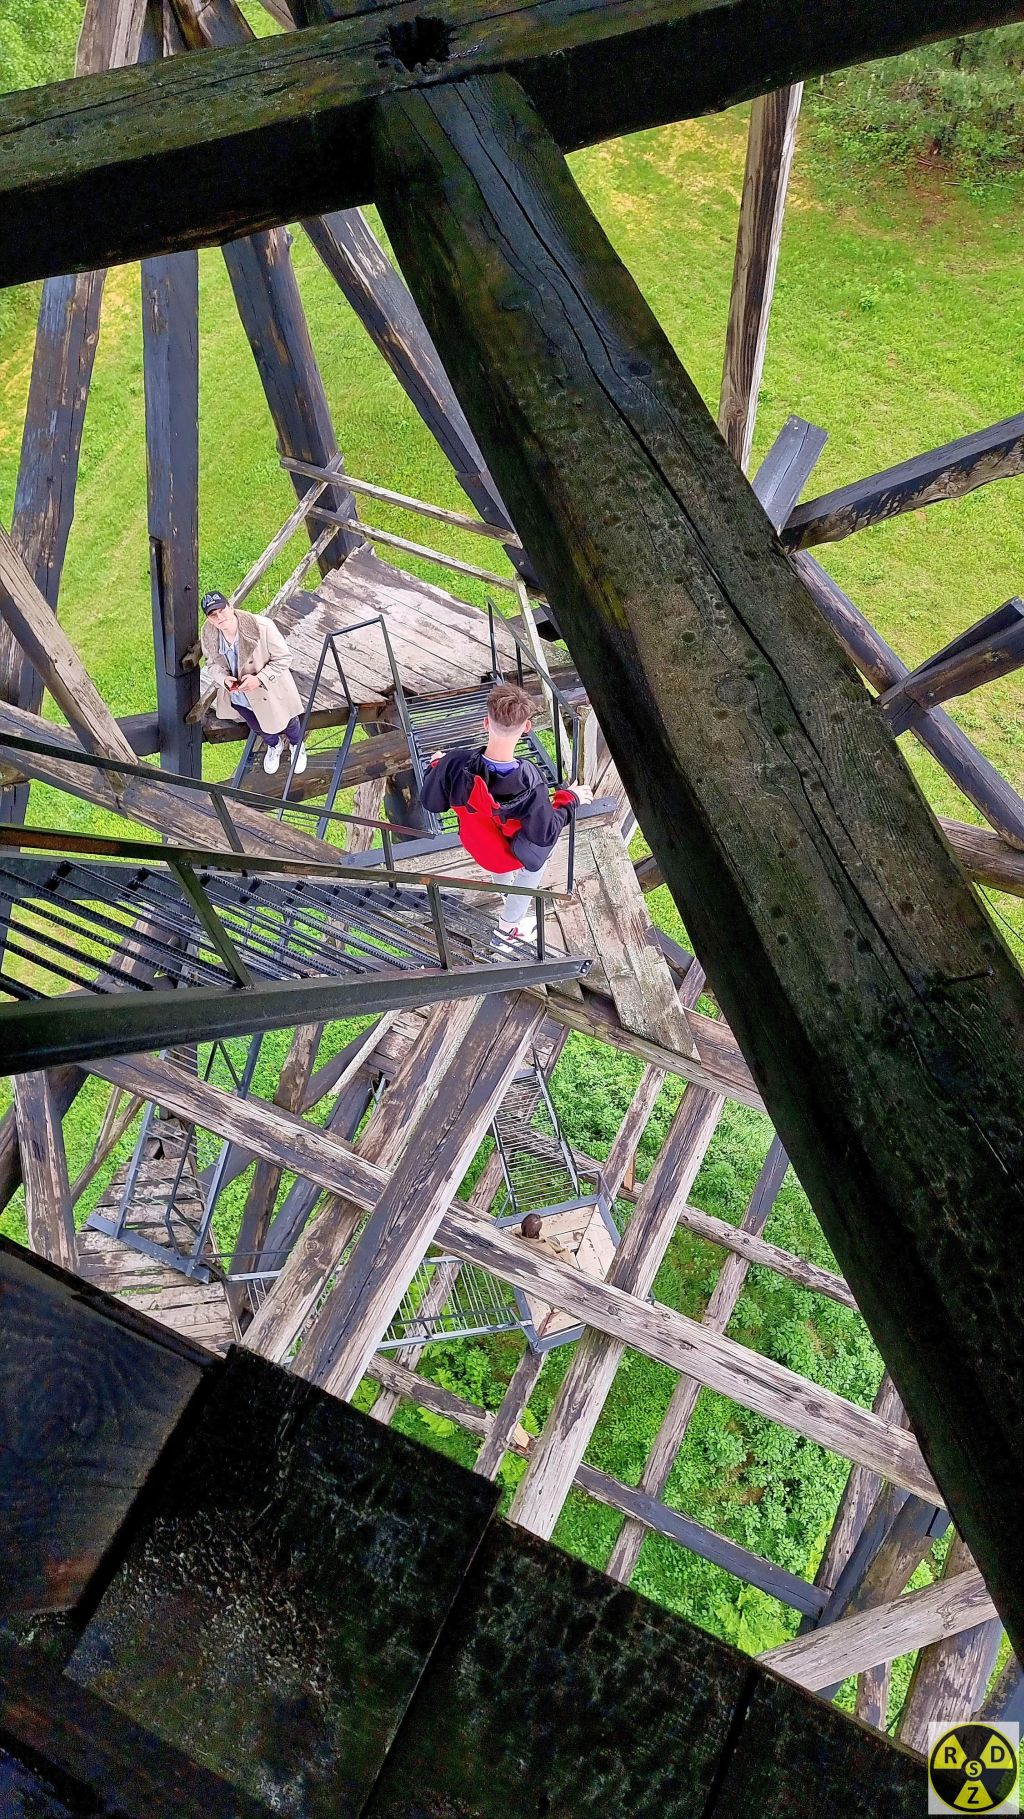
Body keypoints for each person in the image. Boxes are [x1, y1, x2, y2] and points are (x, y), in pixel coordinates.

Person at [419, 681, 585, 943]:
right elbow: (544, 833)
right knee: (543, 852)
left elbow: (432, 802)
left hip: (476, 845)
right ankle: (508, 930)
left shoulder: (456, 762)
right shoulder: (529, 780)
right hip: (505, 857)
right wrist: (569, 799)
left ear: (486, 722)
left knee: (496, 830)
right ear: (527, 727)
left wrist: (437, 767)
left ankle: (506, 890)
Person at [199, 590, 308, 777]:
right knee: (256, 725)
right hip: (239, 695)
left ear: (231, 607)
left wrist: (259, 679)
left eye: (222, 610)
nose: (219, 617)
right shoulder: (208, 634)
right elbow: (211, 665)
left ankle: (298, 744)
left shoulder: (262, 627)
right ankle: (274, 745)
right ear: (209, 619)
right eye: (213, 615)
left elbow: (283, 658)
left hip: (268, 691)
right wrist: (224, 679)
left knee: (288, 721)